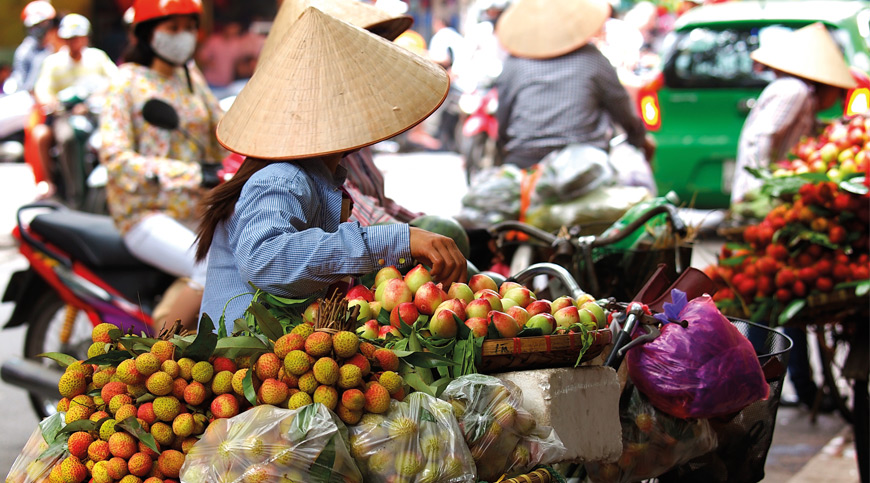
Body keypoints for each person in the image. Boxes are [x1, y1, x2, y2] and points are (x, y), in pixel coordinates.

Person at [196, 7, 467, 323]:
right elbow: (265, 260)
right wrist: (399, 240)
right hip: (243, 363)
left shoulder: (321, 180)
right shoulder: (281, 179)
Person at [733, 23, 856, 411]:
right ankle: (768, 384)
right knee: (770, 299)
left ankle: (798, 385)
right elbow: (764, 140)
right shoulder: (795, 90)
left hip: (767, 204)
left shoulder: (791, 92)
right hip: (763, 206)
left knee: (779, 300)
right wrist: (771, 184)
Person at [99, 0, 227, 331]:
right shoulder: (125, 82)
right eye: (172, 28)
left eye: (188, 27)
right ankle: (160, 365)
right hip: (145, 213)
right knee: (211, 265)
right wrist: (192, 173)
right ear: (147, 34)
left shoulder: (191, 78)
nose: (183, 36)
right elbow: (115, 159)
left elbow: (224, 129)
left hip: (198, 209)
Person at [494, 0, 655, 170]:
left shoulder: (514, 64)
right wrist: (638, 137)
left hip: (525, 160)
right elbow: (621, 107)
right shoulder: (592, 59)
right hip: (586, 165)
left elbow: (503, 120)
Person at [731, 23, 855, 204]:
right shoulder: (794, 91)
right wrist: (764, 186)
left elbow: (807, 129)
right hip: (760, 196)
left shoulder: (803, 96)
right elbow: (761, 137)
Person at [32, 14, 118, 198]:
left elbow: (115, 80)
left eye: (77, 37)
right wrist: (51, 102)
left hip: (94, 113)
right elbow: (43, 89)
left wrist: (95, 97)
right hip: (65, 116)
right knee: (67, 138)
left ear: (86, 37)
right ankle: (68, 190)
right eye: (69, 38)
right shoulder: (53, 63)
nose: (73, 42)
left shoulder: (97, 57)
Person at [6, 1, 58, 95]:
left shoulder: (59, 44)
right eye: (34, 26)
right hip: (31, 97)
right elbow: (21, 79)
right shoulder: (25, 50)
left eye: (42, 24)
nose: (37, 29)